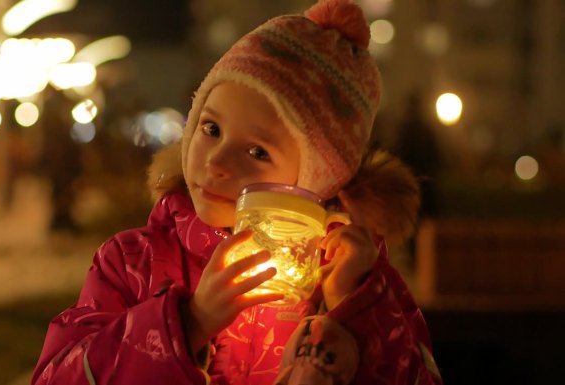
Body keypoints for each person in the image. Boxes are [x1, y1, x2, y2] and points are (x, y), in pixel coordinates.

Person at [32, 1, 443, 384]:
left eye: (257, 151)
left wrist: (354, 307)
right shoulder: (133, 264)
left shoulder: (354, 281)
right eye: (211, 129)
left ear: (321, 177)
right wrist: (187, 323)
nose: (216, 162)